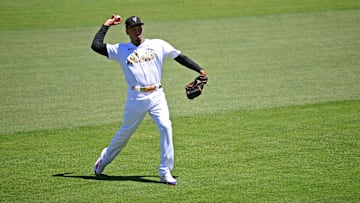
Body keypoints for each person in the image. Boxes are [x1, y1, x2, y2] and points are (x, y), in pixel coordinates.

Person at [90, 14, 207, 185]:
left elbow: (179, 56)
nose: (138, 30)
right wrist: (106, 24)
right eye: (133, 28)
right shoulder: (120, 50)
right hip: (136, 98)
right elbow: (96, 45)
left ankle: (165, 171)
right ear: (127, 31)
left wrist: (199, 69)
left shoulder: (158, 45)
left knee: (166, 127)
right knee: (124, 134)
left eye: (139, 27)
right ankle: (103, 161)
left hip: (157, 95)